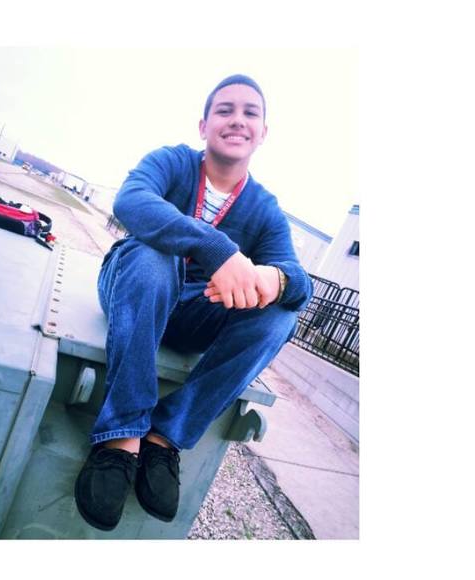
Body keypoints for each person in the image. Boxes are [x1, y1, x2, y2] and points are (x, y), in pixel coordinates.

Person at [74, 74, 313, 531]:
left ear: (263, 132)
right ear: (204, 126)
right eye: (225, 110)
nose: (237, 119)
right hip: (136, 288)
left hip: (197, 312)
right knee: (153, 258)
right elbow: (132, 200)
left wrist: (274, 277)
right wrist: (216, 249)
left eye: (250, 112)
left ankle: (166, 437)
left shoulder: (265, 209)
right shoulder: (172, 161)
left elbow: (301, 282)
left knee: (280, 318)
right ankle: (121, 436)